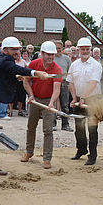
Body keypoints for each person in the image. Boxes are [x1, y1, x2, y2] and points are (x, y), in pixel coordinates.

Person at [0, 37, 47, 175]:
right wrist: (35, 73)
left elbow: (8, 73)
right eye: (14, 49)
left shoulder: (2, 60)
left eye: (18, 49)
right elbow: (14, 68)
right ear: (5, 50)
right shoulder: (5, 61)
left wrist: (17, 77)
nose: (17, 51)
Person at [20, 41, 62, 169]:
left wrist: (51, 102)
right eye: (48, 55)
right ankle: (29, 152)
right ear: (42, 54)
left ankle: (47, 158)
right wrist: (30, 95)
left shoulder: (57, 69)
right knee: (31, 127)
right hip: (35, 99)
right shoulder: (33, 64)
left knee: (48, 130)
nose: (50, 57)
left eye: (52, 55)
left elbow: (57, 89)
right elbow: (26, 81)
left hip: (48, 100)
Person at [67, 37, 102, 165]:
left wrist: (83, 98)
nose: (85, 51)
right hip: (78, 98)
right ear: (78, 50)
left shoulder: (96, 65)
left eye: (87, 49)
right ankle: (81, 150)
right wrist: (74, 98)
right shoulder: (74, 65)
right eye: (83, 49)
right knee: (79, 128)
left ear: (91, 50)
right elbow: (70, 83)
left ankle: (92, 155)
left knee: (92, 129)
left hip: (93, 99)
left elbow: (93, 83)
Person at [52, 40, 73, 132]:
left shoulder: (66, 59)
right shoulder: (51, 58)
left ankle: (65, 124)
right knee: (52, 103)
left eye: (59, 48)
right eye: (56, 48)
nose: (58, 50)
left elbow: (70, 70)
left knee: (65, 104)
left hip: (64, 82)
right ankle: (52, 124)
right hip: (52, 82)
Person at [7, 51, 28, 117]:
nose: (18, 56)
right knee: (12, 95)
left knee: (20, 96)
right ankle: (10, 111)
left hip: (20, 81)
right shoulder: (12, 62)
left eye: (19, 54)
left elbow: (25, 70)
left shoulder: (23, 62)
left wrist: (23, 77)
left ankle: (20, 110)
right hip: (12, 81)